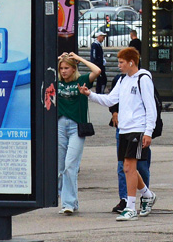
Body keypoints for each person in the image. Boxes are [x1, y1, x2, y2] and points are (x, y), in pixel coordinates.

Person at [82, 46, 158, 221]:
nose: (119, 65)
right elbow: (110, 99)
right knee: (127, 167)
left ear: (131, 62)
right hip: (124, 129)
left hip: (138, 129)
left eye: (121, 62)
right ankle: (147, 194)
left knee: (129, 167)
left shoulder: (144, 79)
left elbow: (150, 107)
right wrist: (90, 95)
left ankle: (130, 206)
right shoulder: (123, 80)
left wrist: (148, 132)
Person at [55, 53, 101, 214]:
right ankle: (70, 202)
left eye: (66, 68)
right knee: (60, 167)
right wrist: (58, 59)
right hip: (60, 124)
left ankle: (68, 203)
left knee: (70, 165)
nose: (63, 71)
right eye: (61, 68)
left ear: (74, 69)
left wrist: (80, 59)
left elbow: (97, 70)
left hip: (76, 126)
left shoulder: (81, 81)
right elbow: (43, 72)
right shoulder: (57, 82)